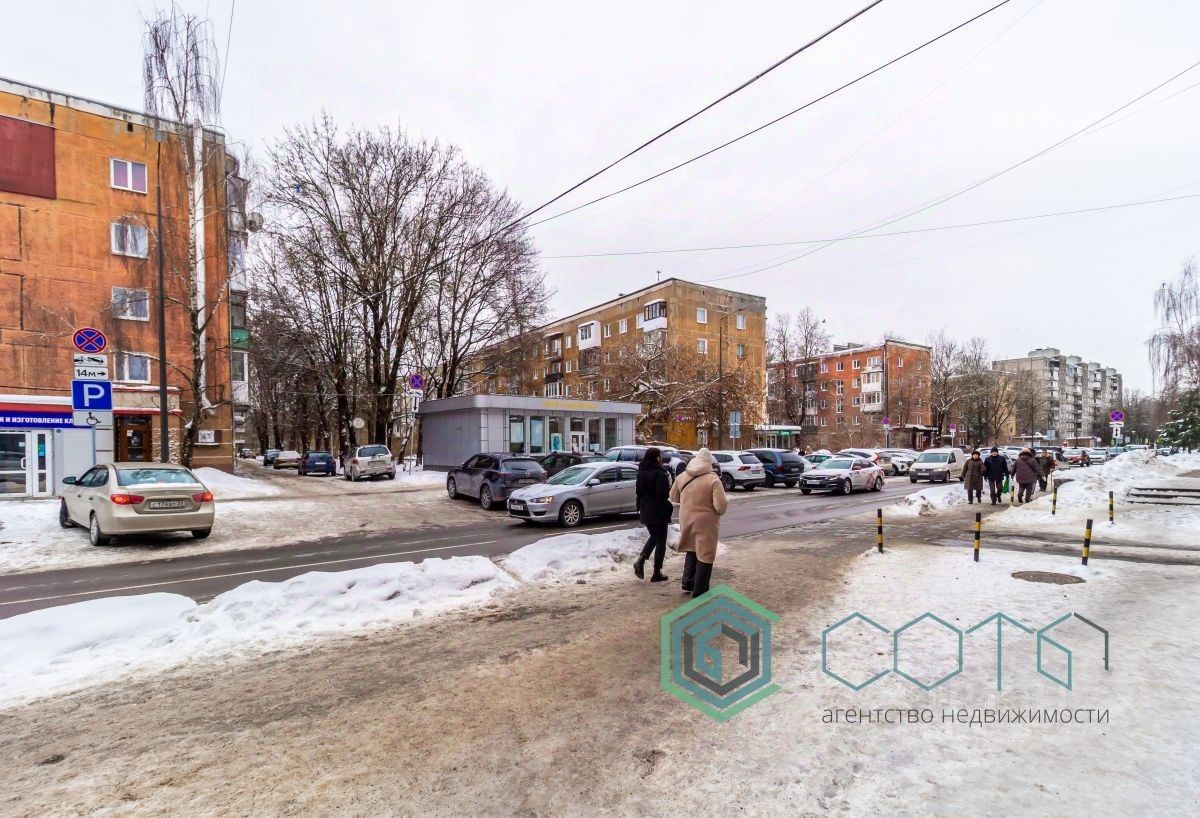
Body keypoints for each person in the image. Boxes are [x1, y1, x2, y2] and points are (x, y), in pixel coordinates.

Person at [669, 447, 727, 598]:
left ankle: (687, 582)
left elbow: (673, 497)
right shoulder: (713, 479)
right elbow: (721, 506)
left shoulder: (682, 476)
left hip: (686, 518)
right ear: (709, 462)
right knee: (705, 553)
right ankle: (700, 589)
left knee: (691, 548)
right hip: (706, 523)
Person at [633, 448, 672, 583]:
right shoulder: (660, 474)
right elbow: (664, 494)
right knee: (661, 541)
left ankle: (641, 560)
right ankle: (656, 572)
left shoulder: (641, 472)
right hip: (659, 511)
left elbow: (638, 492)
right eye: (659, 456)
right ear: (656, 458)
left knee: (654, 537)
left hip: (645, 509)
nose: (660, 458)